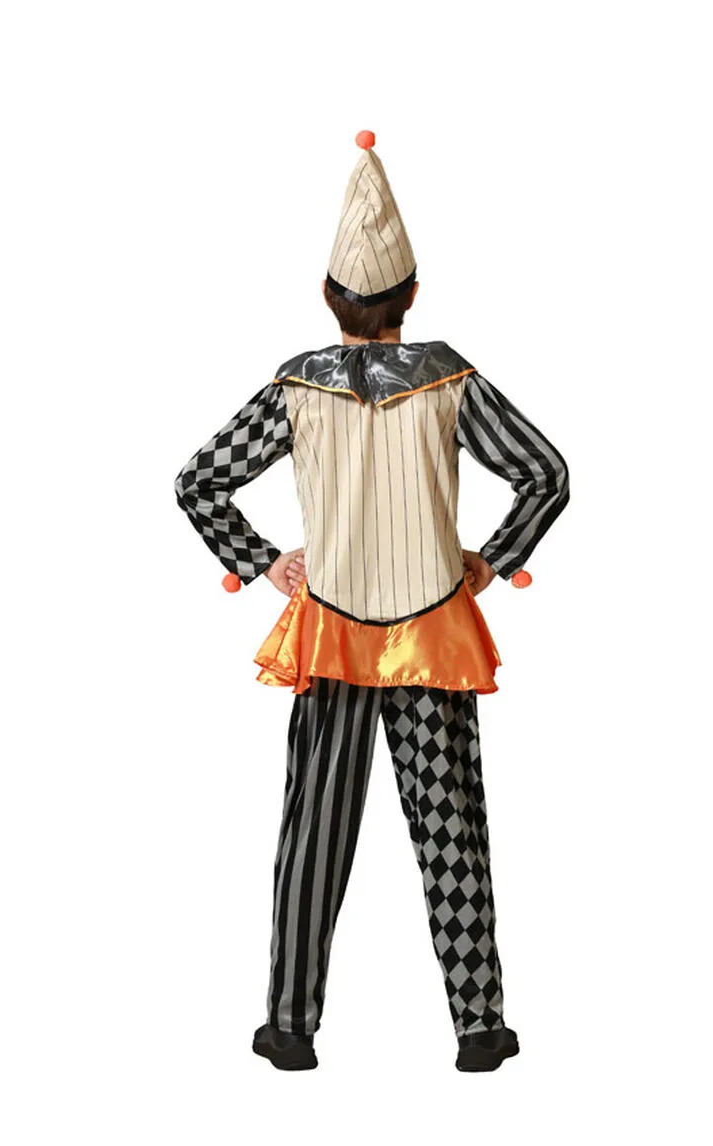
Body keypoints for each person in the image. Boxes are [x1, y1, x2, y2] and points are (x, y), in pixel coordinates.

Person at [175, 130, 570, 1072]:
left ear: (329, 297)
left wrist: (262, 562)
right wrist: (492, 561)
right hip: (432, 632)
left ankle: (289, 1029)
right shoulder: (450, 382)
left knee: (313, 834)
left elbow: (199, 480)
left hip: (333, 633)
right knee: (452, 834)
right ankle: (479, 1029)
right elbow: (546, 473)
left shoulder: (295, 388)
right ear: (412, 296)